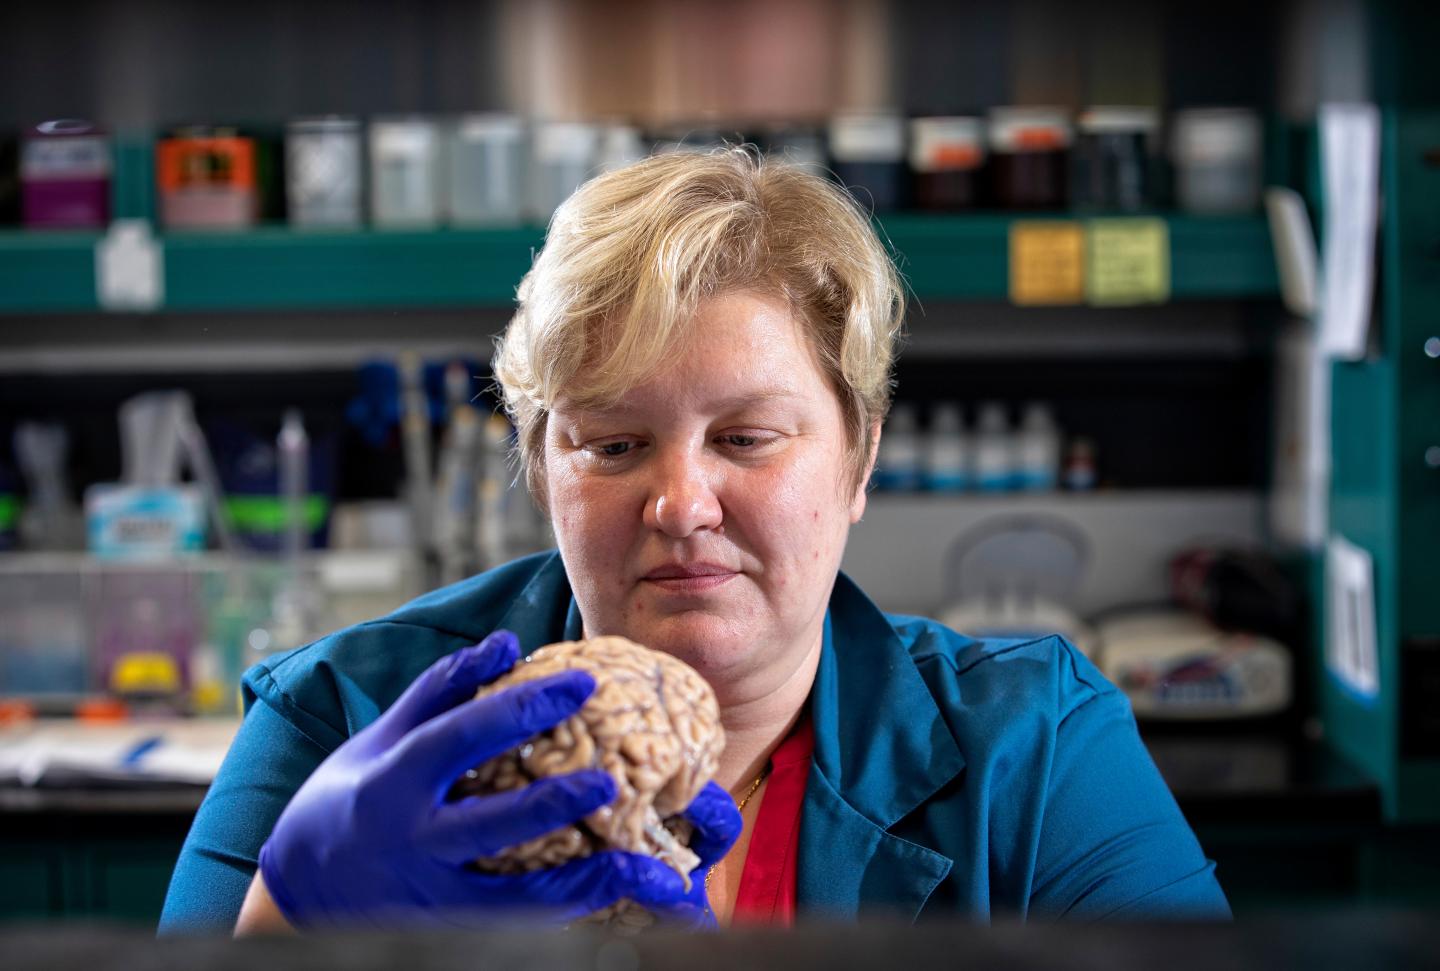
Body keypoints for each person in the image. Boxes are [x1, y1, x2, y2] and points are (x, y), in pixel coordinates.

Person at [160, 148, 1230, 934]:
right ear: (542, 471)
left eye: (747, 437)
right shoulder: (339, 721)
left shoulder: (1033, 747)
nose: (681, 502)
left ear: (859, 460)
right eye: (614, 443)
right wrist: (285, 926)